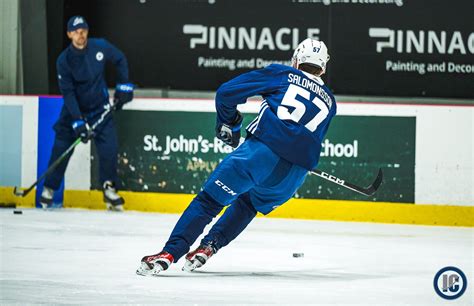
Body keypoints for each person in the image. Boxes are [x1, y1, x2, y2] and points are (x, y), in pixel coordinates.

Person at [136, 38, 336, 275]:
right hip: (292, 177)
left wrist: (229, 123)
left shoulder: (282, 74)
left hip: (260, 156)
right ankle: (209, 246)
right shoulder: (330, 101)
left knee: (209, 201)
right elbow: (306, 137)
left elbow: (226, 93)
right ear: (323, 68)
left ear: (295, 60)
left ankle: (170, 253)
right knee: (248, 203)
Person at [39, 16, 134, 211]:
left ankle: (109, 188)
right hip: (73, 112)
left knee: (110, 149)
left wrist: (124, 86)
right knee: (61, 148)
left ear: (87, 32)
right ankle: (49, 189)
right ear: (69, 34)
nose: (80, 34)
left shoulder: (100, 46)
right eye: (75, 31)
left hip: (100, 109)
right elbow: (68, 92)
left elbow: (120, 59)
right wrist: (77, 121)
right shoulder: (64, 61)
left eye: (83, 30)